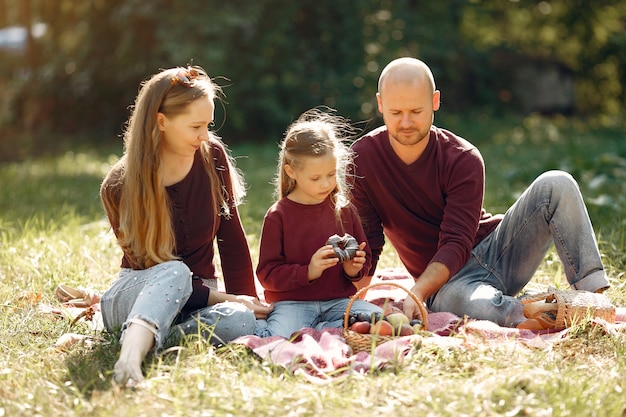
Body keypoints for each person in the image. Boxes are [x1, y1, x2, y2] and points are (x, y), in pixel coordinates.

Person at [349, 57, 610, 330]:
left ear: (435, 101)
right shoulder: (362, 159)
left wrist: (417, 291)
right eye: (395, 112)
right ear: (380, 105)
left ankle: (593, 300)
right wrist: (354, 306)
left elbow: (456, 243)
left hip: (498, 251)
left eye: (416, 111)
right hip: (449, 284)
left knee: (557, 183)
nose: (405, 122)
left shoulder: (463, 158)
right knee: (461, 302)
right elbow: (370, 243)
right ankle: (533, 310)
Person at [99, 65, 273, 387]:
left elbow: (232, 241)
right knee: (175, 271)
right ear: (161, 121)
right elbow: (153, 270)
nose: (205, 136)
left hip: (200, 300)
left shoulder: (212, 157)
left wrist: (247, 301)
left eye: (208, 125)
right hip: (137, 294)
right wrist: (226, 298)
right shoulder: (120, 185)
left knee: (241, 321)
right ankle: (128, 359)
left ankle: (151, 342)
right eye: (196, 126)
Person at [254, 109, 382, 338]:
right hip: (292, 304)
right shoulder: (279, 216)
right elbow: (267, 274)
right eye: (315, 178)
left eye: (331, 174)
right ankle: (324, 329)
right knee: (277, 338)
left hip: (338, 302)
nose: (326, 184)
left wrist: (354, 270)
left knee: (381, 320)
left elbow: (364, 259)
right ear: (291, 171)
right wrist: (308, 271)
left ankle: (323, 329)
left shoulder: (345, 211)